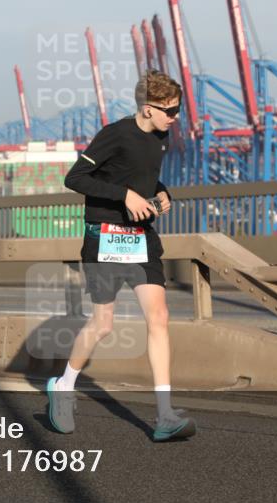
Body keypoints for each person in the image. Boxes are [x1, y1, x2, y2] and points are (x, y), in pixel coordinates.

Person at [47, 70, 196, 442]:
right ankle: (64, 386)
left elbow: (139, 175)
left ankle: (165, 415)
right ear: (148, 109)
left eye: (178, 110)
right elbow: (75, 178)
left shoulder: (160, 137)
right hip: (105, 237)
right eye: (170, 111)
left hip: (141, 238)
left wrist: (162, 192)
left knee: (159, 317)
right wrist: (124, 196)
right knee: (103, 324)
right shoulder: (115, 134)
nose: (175, 117)